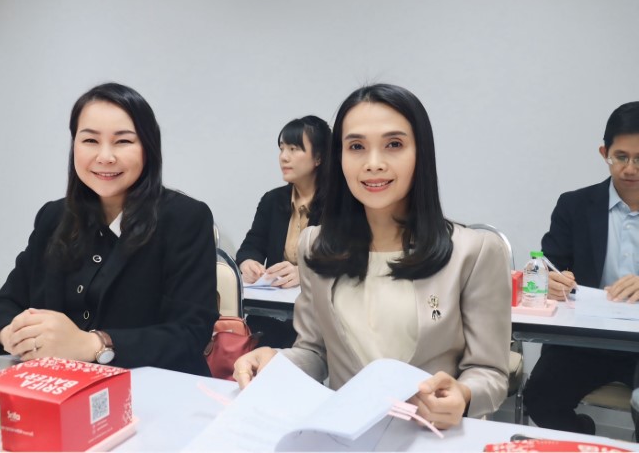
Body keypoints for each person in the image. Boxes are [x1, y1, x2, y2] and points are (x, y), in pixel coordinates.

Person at [233, 84, 511, 428]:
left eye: (394, 145)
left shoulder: (474, 252)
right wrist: (275, 363)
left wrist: (464, 394)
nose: (374, 164)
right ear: (339, 158)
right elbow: (314, 352)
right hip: (346, 434)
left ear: (420, 154)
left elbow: (489, 372)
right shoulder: (316, 246)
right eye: (356, 147)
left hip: (427, 435)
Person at [0, 83, 218, 375]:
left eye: (123, 141)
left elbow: (190, 334)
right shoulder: (53, 217)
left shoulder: (186, 218)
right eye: (90, 140)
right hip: (58, 384)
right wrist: (13, 336)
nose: (105, 156)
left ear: (148, 148)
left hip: (154, 387)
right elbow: (2, 305)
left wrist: (92, 345)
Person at [524, 101, 639, 435]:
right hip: (585, 338)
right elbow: (547, 265)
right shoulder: (574, 205)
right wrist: (551, 280)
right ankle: (582, 435)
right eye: (621, 157)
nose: (630, 169)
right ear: (605, 153)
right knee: (540, 397)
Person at [236, 115, 330, 347]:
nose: (284, 157)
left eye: (294, 149)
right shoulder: (272, 200)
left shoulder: (338, 205)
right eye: (282, 149)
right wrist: (248, 263)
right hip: (271, 316)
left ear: (318, 157)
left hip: (318, 320)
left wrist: (304, 273)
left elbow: (345, 259)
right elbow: (251, 245)